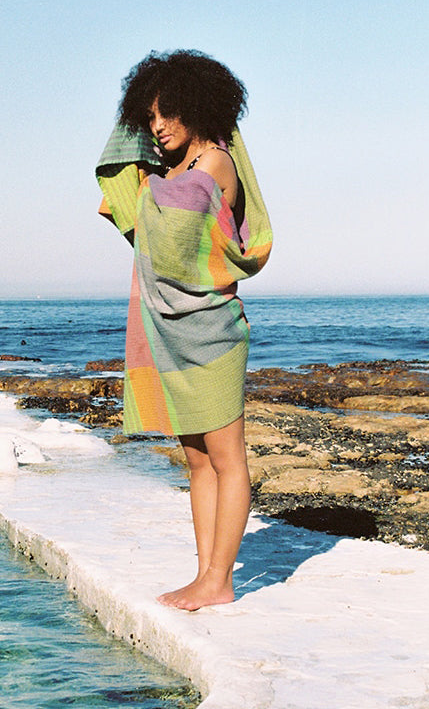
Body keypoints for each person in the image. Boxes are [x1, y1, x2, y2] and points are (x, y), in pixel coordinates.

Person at [95, 50, 272, 611]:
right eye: (149, 119)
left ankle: (219, 579)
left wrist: (145, 183)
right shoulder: (170, 171)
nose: (159, 127)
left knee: (227, 457)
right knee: (196, 460)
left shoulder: (215, 165)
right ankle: (206, 575)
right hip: (171, 333)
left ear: (199, 107)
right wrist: (144, 169)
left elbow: (173, 226)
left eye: (169, 113)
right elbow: (142, 201)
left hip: (211, 334)